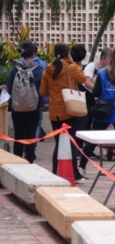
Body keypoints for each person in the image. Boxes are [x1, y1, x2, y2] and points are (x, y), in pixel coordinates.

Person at [78, 48, 115, 178]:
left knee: (93, 139)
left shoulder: (102, 72)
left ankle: (81, 167)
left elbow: (96, 92)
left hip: (103, 111)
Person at [40, 43, 86, 184]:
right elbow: (83, 79)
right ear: (68, 54)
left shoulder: (47, 69)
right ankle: (75, 175)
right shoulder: (71, 67)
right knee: (70, 143)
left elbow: (42, 91)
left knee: (59, 143)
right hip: (69, 110)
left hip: (54, 113)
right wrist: (73, 63)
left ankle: (55, 172)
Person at [7, 41, 44, 163]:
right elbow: (42, 90)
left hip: (17, 108)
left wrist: (12, 103)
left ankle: (17, 161)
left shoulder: (15, 69)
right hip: (34, 108)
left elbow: (10, 89)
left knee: (18, 136)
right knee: (31, 136)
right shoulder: (39, 69)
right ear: (34, 53)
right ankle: (29, 160)